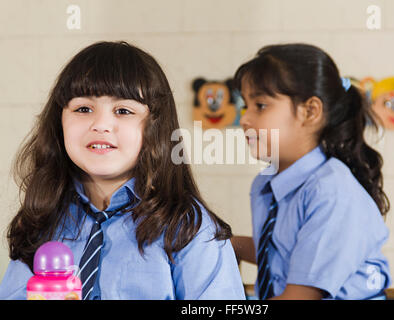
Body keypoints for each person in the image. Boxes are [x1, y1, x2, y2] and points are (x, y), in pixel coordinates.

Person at [0, 41, 245, 300]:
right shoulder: (44, 219)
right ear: (58, 122)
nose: (101, 124)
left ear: (156, 127)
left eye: (123, 110)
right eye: (83, 108)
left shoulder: (188, 228)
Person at [231, 44, 392, 300]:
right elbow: (282, 253)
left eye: (260, 105)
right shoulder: (264, 184)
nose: (245, 119)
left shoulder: (331, 190)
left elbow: (300, 296)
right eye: (245, 105)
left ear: (310, 111)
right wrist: (230, 244)